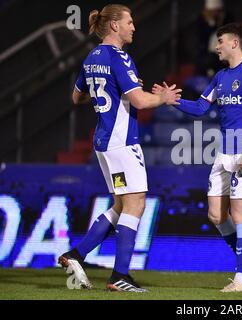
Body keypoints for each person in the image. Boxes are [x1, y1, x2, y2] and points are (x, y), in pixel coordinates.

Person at [58, 4, 181, 292]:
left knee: (120, 204)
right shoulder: (119, 57)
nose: (133, 27)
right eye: (129, 22)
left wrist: (109, 91)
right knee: (136, 202)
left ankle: (76, 255)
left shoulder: (91, 57)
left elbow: (77, 97)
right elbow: (139, 102)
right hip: (122, 141)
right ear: (114, 25)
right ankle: (120, 276)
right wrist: (163, 98)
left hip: (103, 141)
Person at [153, 23, 242, 292]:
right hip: (223, 152)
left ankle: (241, 280)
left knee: (240, 214)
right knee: (216, 215)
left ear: (234, 43)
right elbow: (199, 108)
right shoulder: (220, 77)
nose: (216, 46)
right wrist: (171, 100)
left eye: (220, 41)